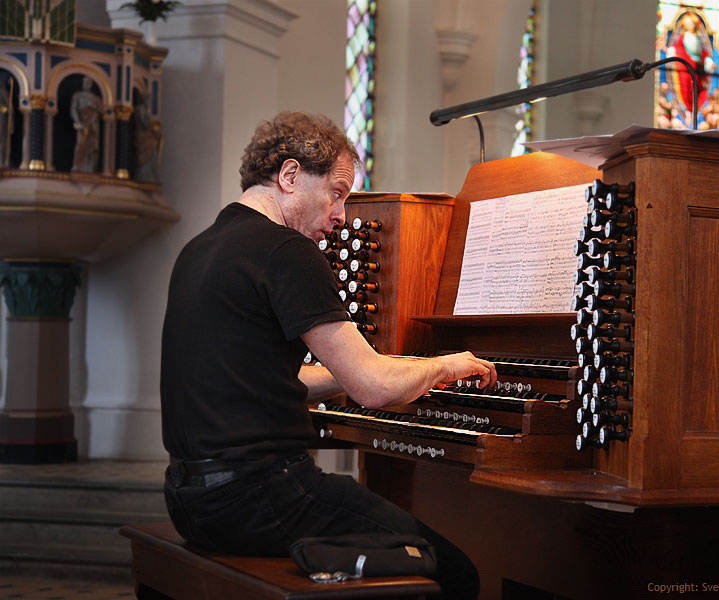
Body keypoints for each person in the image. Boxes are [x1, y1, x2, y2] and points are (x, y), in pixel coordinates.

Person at [160, 111, 496, 599]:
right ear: (290, 176)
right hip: (263, 498)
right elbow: (374, 389)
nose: (342, 215)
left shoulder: (200, 248)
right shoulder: (286, 251)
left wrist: (394, 367)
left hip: (190, 499)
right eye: (337, 193)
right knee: (457, 572)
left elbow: (267, 379)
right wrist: (445, 364)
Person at [70, 76, 102, 172]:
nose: (86, 85)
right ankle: (78, 166)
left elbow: (103, 111)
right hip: (82, 124)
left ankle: (90, 168)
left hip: (93, 125)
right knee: (81, 144)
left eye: (88, 83)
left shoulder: (96, 98)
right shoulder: (78, 95)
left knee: (93, 147)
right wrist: (78, 122)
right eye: (85, 82)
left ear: (91, 85)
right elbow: (73, 109)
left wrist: (94, 109)